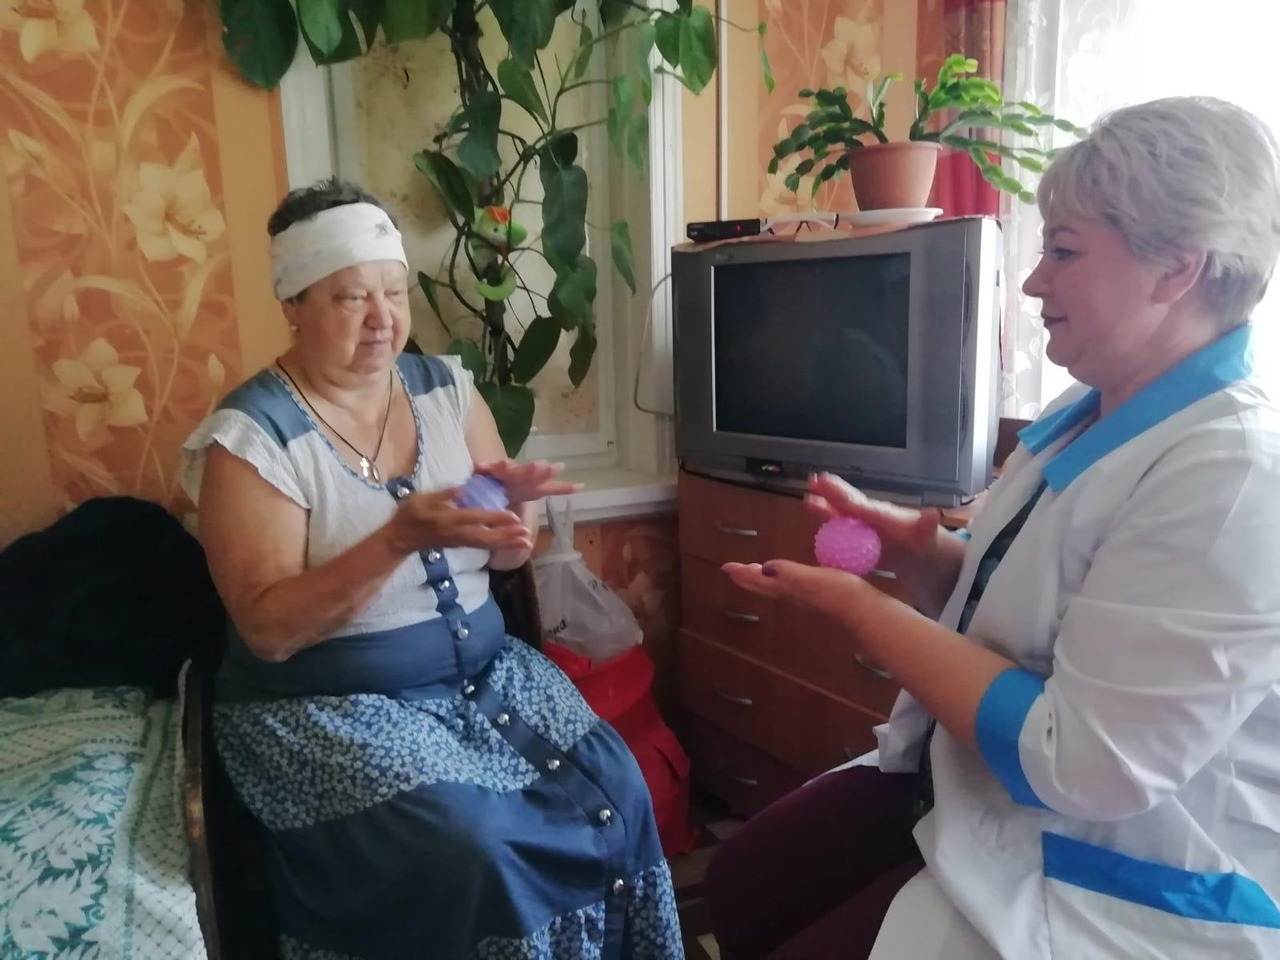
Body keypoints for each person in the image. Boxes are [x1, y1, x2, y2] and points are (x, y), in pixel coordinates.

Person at [703, 96, 1280, 960]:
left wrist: (860, 611)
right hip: (975, 783)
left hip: (1111, 865)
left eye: (1064, 252)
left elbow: (1082, 761)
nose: (1035, 282)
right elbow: (1029, 599)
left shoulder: (1235, 476)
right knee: (744, 882)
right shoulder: (1084, 409)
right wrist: (921, 551)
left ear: (1176, 270)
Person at [181, 178, 683, 959]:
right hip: (329, 710)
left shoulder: (447, 392)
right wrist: (396, 539)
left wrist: (514, 521)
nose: (383, 318)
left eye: (394, 291)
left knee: (616, 789)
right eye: (351, 297)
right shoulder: (251, 441)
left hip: (487, 680)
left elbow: (503, 550)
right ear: (293, 303)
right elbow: (269, 630)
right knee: (475, 845)